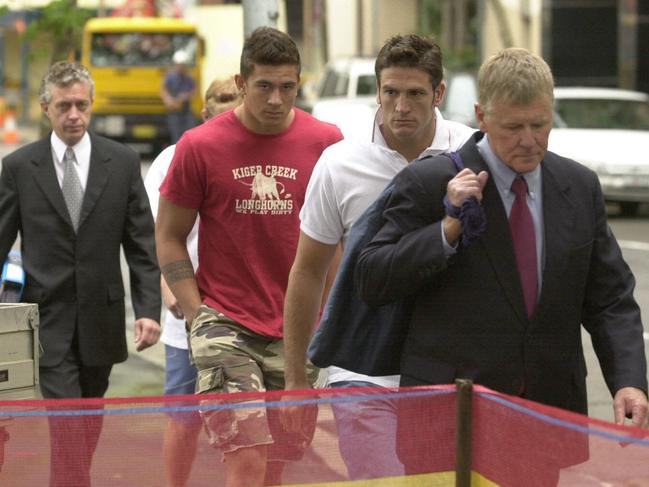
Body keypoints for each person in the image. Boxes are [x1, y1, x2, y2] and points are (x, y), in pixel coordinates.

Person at [355, 48, 648, 479]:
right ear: (482, 116)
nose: (529, 140)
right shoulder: (430, 181)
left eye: (540, 124)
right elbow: (373, 277)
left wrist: (629, 381)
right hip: (452, 418)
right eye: (513, 127)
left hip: (543, 413)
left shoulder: (578, 186)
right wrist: (446, 230)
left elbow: (609, 299)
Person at [281, 34, 475, 480]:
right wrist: (296, 380)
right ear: (378, 91)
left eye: (415, 94)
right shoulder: (339, 163)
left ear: (439, 94)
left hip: (449, 369)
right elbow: (308, 271)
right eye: (391, 92)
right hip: (361, 370)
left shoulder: (470, 154)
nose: (401, 106)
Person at [155, 27, 343, 487]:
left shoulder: (326, 142)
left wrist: (327, 311)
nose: (276, 99)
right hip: (226, 323)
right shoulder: (200, 146)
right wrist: (199, 314)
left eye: (288, 87)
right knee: (247, 453)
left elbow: (340, 237)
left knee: (277, 460)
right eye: (264, 86)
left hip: (297, 326)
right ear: (241, 83)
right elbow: (169, 235)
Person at [0, 61, 161, 487]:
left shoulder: (122, 162)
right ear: (45, 108)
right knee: (66, 418)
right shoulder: (19, 167)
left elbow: (140, 243)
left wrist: (147, 309)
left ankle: (73, 478)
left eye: (82, 105)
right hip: (46, 319)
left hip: (102, 319)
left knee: (89, 418)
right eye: (65, 105)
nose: (74, 114)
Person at [144, 76, 241, 487]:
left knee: (246, 424)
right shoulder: (173, 158)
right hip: (187, 319)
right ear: (204, 111)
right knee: (184, 418)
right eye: (221, 98)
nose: (229, 105)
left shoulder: (255, 155)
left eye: (235, 98)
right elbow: (156, 232)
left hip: (246, 317)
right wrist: (171, 291)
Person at [161, 50, 197, 144]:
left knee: (189, 135)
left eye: (182, 65)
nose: (180, 67)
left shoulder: (189, 78)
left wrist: (185, 96)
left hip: (186, 112)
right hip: (174, 112)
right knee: (176, 137)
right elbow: (164, 90)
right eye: (179, 65)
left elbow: (194, 91)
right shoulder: (170, 77)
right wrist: (169, 100)